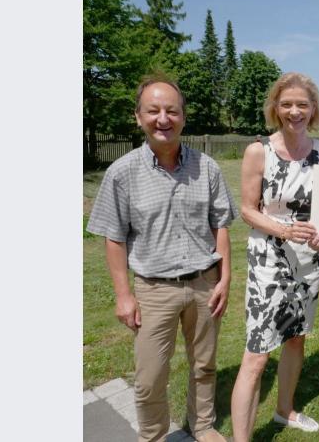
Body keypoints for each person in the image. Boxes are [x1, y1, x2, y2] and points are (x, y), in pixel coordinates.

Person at [86, 74, 238, 442]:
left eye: (172, 110)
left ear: (183, 116)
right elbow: (114, 237)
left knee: (204, 364)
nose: (163, 119)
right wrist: (123, 295)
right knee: (150, 376)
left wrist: (225, 277)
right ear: (138, 116)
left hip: (204, 284)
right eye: (153, 111)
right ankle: (153, 435)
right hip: (154, 290)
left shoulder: (207, 167)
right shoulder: (122, 173)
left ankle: (203, 425)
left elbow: (220, 224)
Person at [229, 72, 319, 441]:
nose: (294, 111)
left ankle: (284, 410)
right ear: (276, 107)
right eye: (286, 104)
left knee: (296, 338)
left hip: (307, 262)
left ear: (313, 108)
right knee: (257, 353)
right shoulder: (259, 151)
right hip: (268, 262)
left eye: (302, 104)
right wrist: (284, 230)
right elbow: (247, 210)